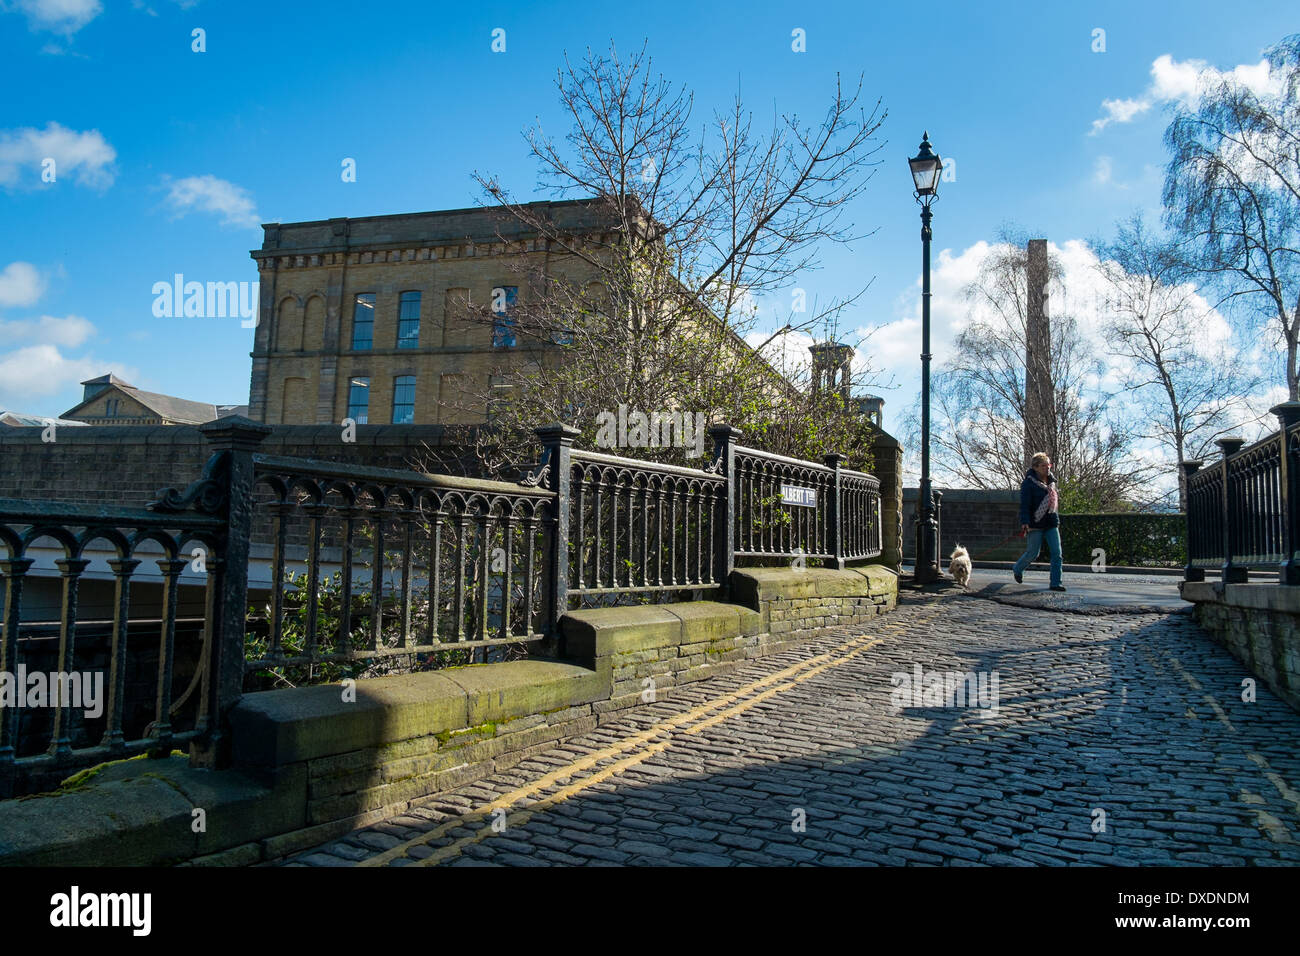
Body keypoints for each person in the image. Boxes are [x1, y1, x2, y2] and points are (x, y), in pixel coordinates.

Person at [1013, 451, 1065, 591]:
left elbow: (1053, 504)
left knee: (1057, 553)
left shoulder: (1052, 482)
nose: (1047, 468)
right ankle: (1018, 568)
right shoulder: (1028, 484)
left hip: (1051, 522)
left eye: (1049, 465)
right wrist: (1025, 522)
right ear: (1035, 467)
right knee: (1033, 553)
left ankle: (1056, 583)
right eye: (1044, 466)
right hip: (1035, 523)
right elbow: (1025, 505)